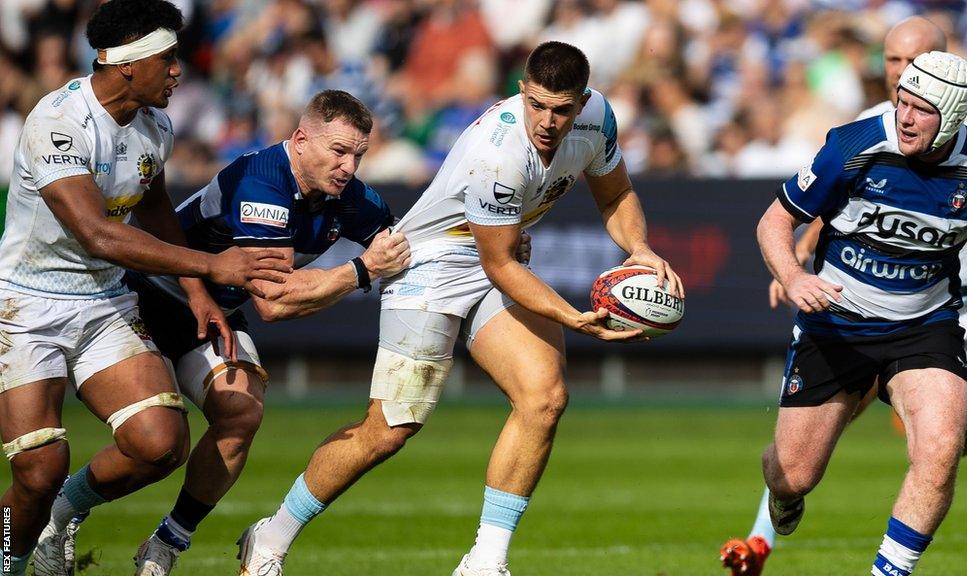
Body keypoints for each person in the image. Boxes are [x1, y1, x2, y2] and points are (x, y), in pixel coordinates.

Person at [234, 40, 683, 576]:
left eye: (561, 109)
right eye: (536, 104)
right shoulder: (498, 152)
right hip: (430, 265)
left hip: (495, 254)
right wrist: (570, 316)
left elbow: (614, 196)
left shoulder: (599, 120)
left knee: (544, 398)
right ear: (522, 91)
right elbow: (501, 267)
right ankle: (272, 534)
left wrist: (641, 248)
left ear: (583, 102)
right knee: (390, 428)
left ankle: (484, 562)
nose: (546, 120)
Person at [722, 17, 967, 575]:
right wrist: (792, 277)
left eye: (921, 110)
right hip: (838, 323)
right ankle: (783, 503)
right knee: (793, 473)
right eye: (902, 100)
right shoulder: (856, 142)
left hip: (924, 328)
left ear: (953, 117)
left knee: (939, 453)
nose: (904, 117)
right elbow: (773, 221)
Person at [0, 1, 290, 575]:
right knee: (38, 468)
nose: (179, 71)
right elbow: (96, 233)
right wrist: (213, 267)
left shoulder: (154, 126)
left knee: (159, 444)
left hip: (106, 303)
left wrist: (196, 292)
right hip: (26, 304)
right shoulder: (57, 121)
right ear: (128, 64)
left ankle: (64, 516)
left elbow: (154, 209)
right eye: (169, 59)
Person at [85, 89, 408, 576]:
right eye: (338, 151)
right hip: (142, 299)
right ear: (300, 140)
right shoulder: (262, 182)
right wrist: (361, 270)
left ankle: (166, 544)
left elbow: (409, 241)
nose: (348, 166)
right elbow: (273, 303)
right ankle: (61, 514)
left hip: (213, 313)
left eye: (358, 155)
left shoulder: (352, 198)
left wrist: (492, 240)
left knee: (241, 413)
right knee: (155, 446)